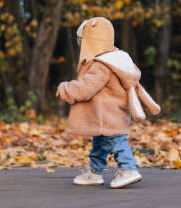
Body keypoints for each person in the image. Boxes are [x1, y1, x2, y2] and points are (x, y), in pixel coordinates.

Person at [56, 17, 160, 188]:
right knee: (99, 143)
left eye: (82, 41)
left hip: (107, 114)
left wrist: (66, 89)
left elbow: (86, 87)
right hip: (109, 114)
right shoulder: (115, 59)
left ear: (91, 41)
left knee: (116, 141)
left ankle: (129, 169)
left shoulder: (100, 65)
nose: (80, 45)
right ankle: (95, 172)